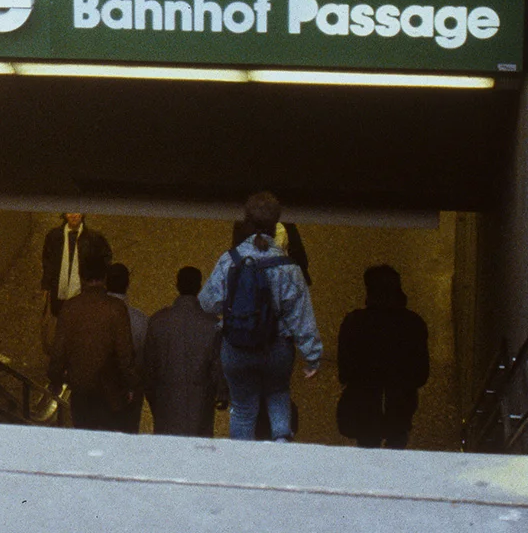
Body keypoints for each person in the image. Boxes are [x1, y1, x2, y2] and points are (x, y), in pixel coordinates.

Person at [199, 191, 322, 442]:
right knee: (278, 396)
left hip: (236, 348)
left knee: (243, 411)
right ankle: (280, 454)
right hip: (276, 348)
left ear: (246, 220)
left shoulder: (229, 260)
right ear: (277, 223)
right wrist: (312, 356)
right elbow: (302, 317)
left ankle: (242, 468)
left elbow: (207, 303)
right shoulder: (288, 267)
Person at [337, 265, 429, 449]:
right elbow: (421, 373)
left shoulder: (355, 322)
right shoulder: (413, 323)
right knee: (397, 444)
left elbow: (345, 370)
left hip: (365, 402)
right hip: (400, 402)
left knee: (367, 447)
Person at [48, 251, 139, 432]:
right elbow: (125, 353)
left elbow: (58, 351)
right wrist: (130, 384)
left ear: (82, 277)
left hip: (81, 390)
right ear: (104, 277)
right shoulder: (116, 308)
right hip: (110, 391)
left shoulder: (70, 308)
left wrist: (55, 379)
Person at [144, 266, 223, 438]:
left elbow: (148, 369)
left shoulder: (158, 321)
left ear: (177, 285)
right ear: (199, 287)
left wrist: (154, 398)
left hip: (165, 404)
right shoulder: (212, 324)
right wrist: (221, 395)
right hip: (201, 404)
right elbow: (217, 369)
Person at [41, 214, 110, 318]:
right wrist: (46, 286)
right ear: (65, 214)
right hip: (59, 296)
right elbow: (48, 262)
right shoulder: (53, 237)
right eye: (70, 211)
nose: (74, 215)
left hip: (84, 295)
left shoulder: (94, 239)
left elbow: (105, 263)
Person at [106, 263, 148, 433]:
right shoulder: (140, 320)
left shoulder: (91, 316)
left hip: (100, 391)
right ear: (127, 284)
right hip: (129, 393)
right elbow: (144, 359)